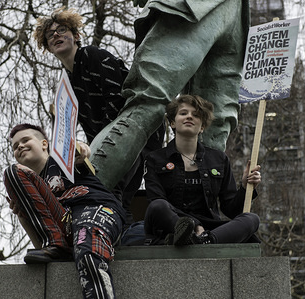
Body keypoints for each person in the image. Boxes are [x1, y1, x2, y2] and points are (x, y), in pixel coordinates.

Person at [89, 0, 249, 197]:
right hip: (214, 14)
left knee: (211, 128)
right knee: (151, 106)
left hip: (228, 15)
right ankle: (84, 197)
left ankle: (196, 220)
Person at [32, 7, 164, 226]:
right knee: (113, 191)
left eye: (62, 30)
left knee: (116, 187)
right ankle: (121, 229)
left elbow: (117, 99)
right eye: (49, 34)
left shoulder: (93, 56)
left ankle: (122, 228)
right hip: (110, 136)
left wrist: (101, 145)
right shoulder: (66, 82)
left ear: (75, 36)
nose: (55, 35)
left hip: (134, 128)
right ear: (47, 47)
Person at [3, 123, 126, 298]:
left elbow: (81, 152)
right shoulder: (31, 188)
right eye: (15, 146)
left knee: (87, 249)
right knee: (12, 172)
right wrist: (22, 215)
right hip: (65, 228)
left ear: (44, 144)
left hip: (96, 211)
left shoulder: (61, 159)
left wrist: (81, 149)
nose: (20, 146)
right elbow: (41, 247)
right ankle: (59, 243)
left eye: (25, 140)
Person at [143, 95, 261, 245]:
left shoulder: (219, 159)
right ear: (172, 122)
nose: (189, 117)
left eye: (196, 115)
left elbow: (231, 210)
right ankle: (191, 236)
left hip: (209, 230)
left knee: (252, 219)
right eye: (183, 113)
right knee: (158, 206)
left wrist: (245, 187)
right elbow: (156, 200)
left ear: (203, 126)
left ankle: (205, 241)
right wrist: (194, 225)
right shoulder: (154, 159)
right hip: (171, 225)